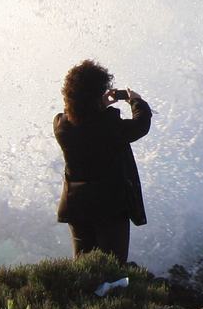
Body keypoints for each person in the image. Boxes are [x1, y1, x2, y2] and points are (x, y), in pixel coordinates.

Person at [53, 59, 153, 262]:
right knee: (112, 267)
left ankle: (83, 294)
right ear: (97, 92)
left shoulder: (60, 124)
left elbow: (81, 118)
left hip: (77, 204)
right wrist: (136, 101)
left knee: (83, 267)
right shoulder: (108, 125)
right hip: (109, 205)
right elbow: (140, 124)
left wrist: (99, 104)